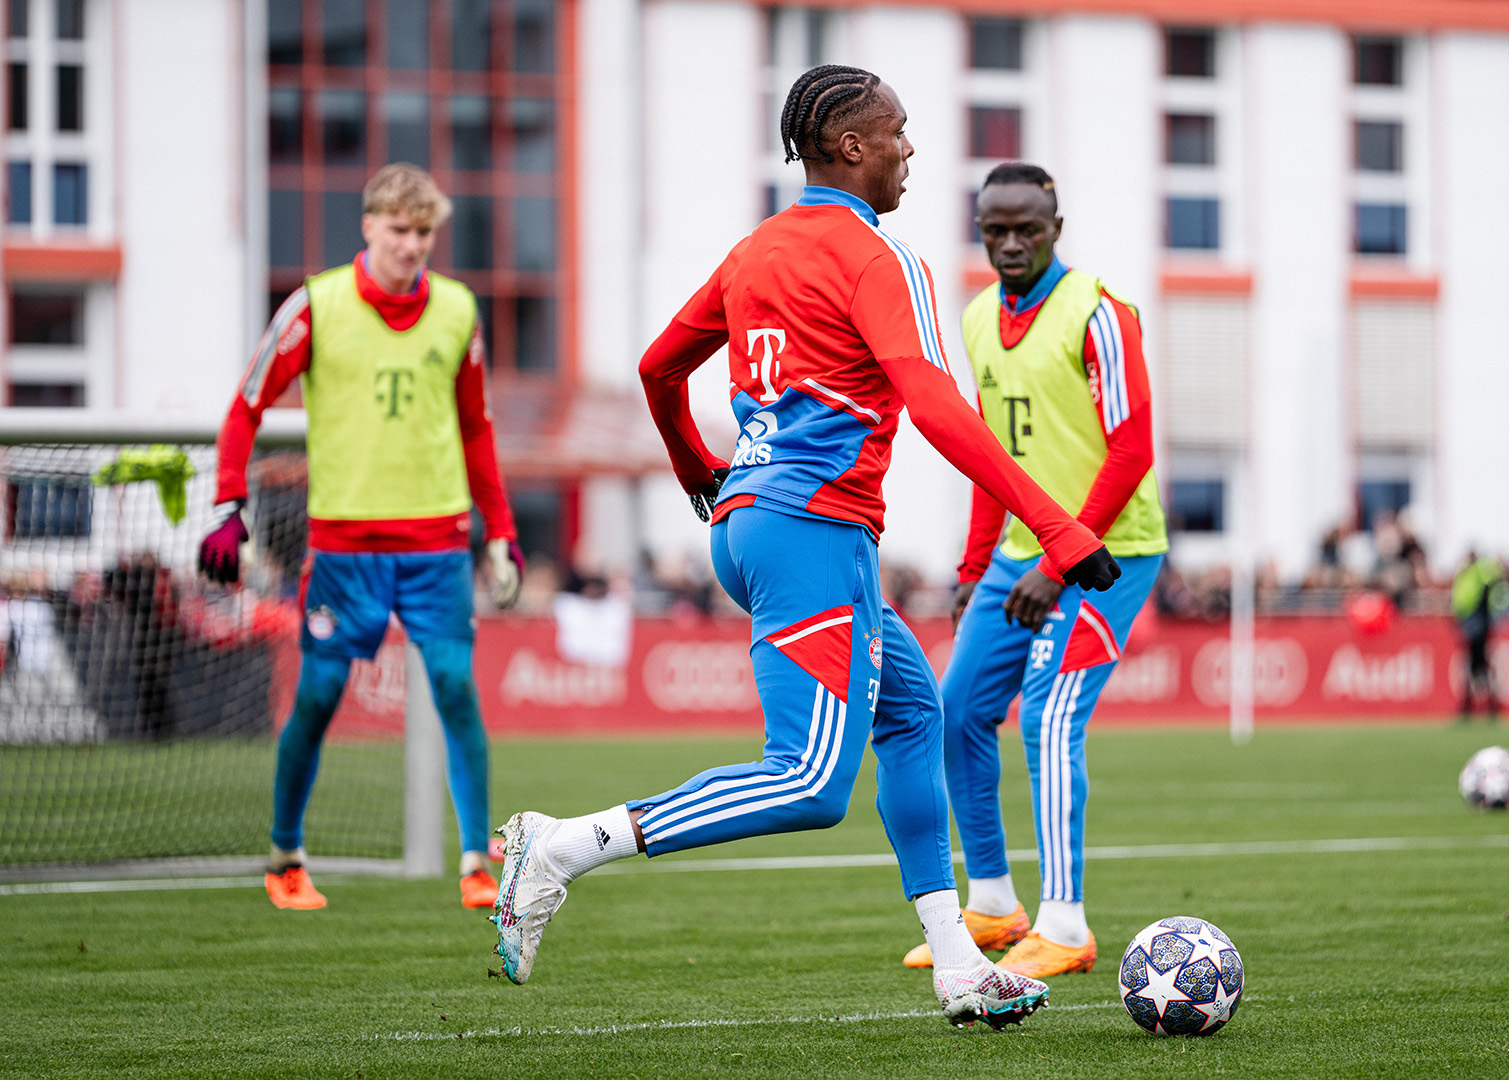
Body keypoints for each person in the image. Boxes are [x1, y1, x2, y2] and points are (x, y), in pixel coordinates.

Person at [487, 65, 1119, 1028]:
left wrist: (699, 466)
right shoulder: (880, 257)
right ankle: (564, 845)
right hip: (809, 534)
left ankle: (959, 963)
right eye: (899, 132)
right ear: (851, 147)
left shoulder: (757, 250)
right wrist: (1060, 526)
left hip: (761, 527)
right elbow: (939, 406)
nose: (911, 148)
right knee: (813, 782)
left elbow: (661, 367)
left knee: (913, 717)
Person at [200, 164, 524, 912]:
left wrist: (500, 532)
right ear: (369, 226)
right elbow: (245, 407)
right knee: (317, 694)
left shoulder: (457, 311)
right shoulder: (315, 306)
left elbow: (477, 429)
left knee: (452, 687)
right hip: (344, 548)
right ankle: (286, 855)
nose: (413, 246)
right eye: (401, 230)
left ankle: (477, 860)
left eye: (425, 233)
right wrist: (228, 507)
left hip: (437, 544)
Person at [905, 164, 1167, 979]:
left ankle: (1065, 924)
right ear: (979, 229)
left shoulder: (1100, 313)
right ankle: (992, 905)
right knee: (954, 716)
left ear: (1057, 225)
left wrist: (1063, 558)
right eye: (996, 230)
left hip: (1108, 556)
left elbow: (1132, 450)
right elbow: (993, 458)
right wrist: (975, 563)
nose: (1011, 244)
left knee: (1050, 719)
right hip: (1021, 558)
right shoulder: (979, 317)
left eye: (1028, 229)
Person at [1452, 548, 1508, 722]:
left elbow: (1471, 598)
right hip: (1473, 624)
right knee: (1477, 666)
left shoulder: (1476, 573)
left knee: (1478, 666)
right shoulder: (1471, 574)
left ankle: (1479, 707)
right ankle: (1484, 706)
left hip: (1477, 624)